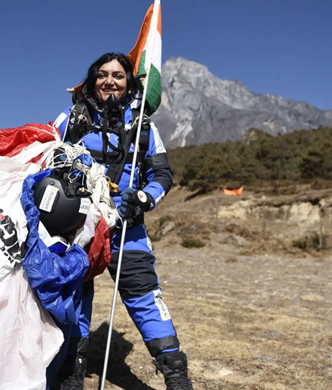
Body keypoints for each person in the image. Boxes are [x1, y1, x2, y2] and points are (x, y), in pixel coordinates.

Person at [52, 52, 194, 390]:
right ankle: (72, 371)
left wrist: (143, 198)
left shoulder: (145, 125)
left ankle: (175, 375)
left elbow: (161, 174)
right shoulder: (69, 118)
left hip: (128, 226)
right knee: (75, 296)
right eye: (102, 74)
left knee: (145, 296)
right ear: (91, 80)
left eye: (118, 75)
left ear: (130, 82)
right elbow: (44, 159)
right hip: (78, 227)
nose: (109, 81)